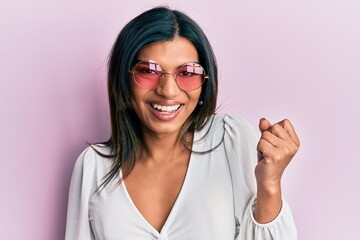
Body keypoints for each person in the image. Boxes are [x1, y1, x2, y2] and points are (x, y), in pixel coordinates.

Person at [65, 6, 300, 240]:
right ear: (124, 79)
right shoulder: (93, 167)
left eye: (187, 73)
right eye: (148, 70)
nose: (168, 91)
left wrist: (269, 184)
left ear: (204, 81)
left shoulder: (230, 139)